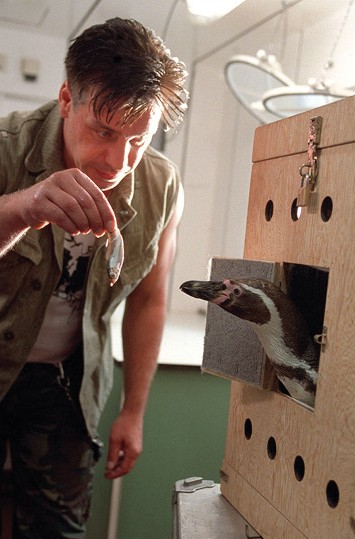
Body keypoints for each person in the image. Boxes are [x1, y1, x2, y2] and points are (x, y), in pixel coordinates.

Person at [0, 17, 188, 538]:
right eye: (104, 132)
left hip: (67, 383)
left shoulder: (160, 186)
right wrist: (23, 207)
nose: (117, 160)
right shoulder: (6, 148)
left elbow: (149, 300)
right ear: (67, 99)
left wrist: (133, 409)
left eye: (138, 140)